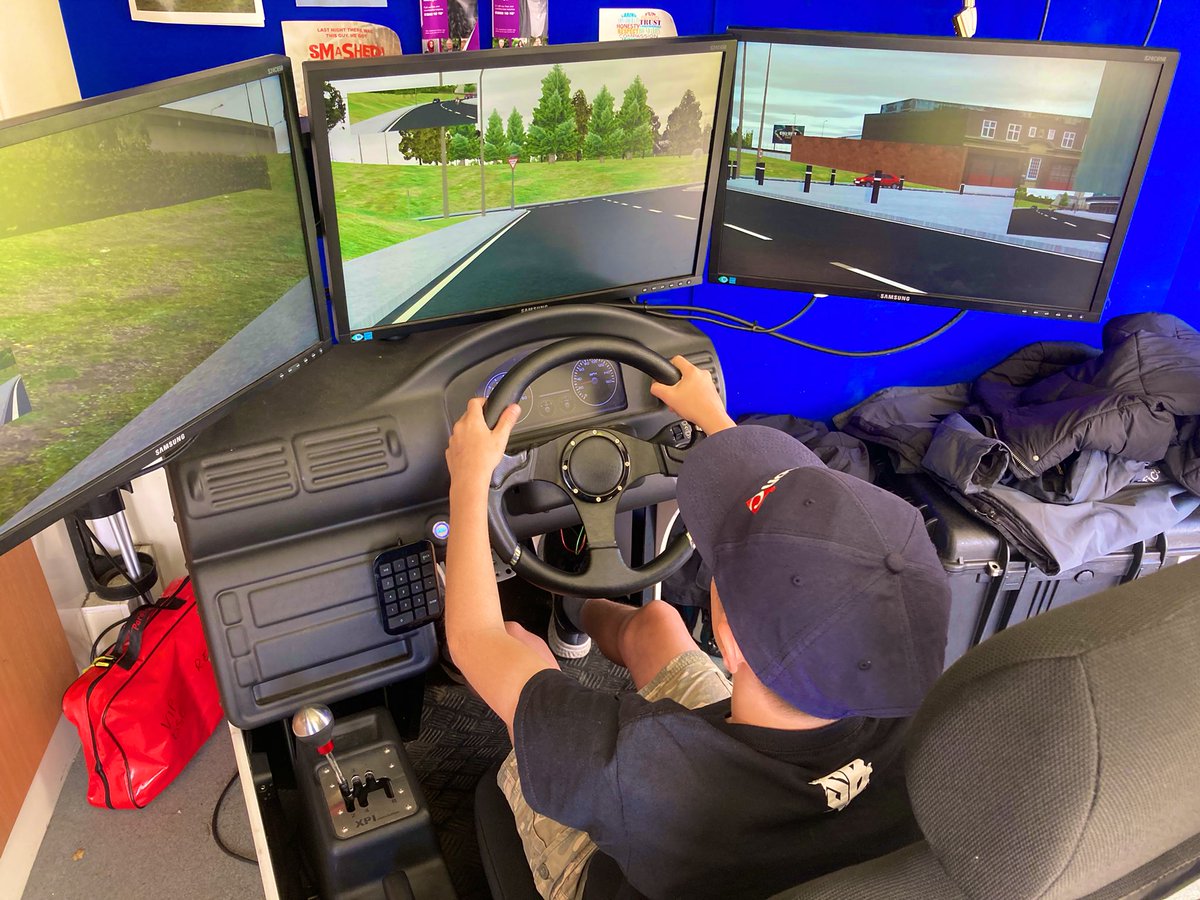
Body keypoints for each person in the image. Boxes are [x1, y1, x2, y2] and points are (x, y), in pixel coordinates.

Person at [443, 356, 952, 900]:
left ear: (726, 641)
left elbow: (476, 641)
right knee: (658, 622)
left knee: (523, 651)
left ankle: (547, 619)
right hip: (774, 821)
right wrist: (713, 417)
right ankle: (571, 604)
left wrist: (470, 481)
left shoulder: (626, 766)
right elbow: (792, 510)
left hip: (606, 869)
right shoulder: (926, 721)